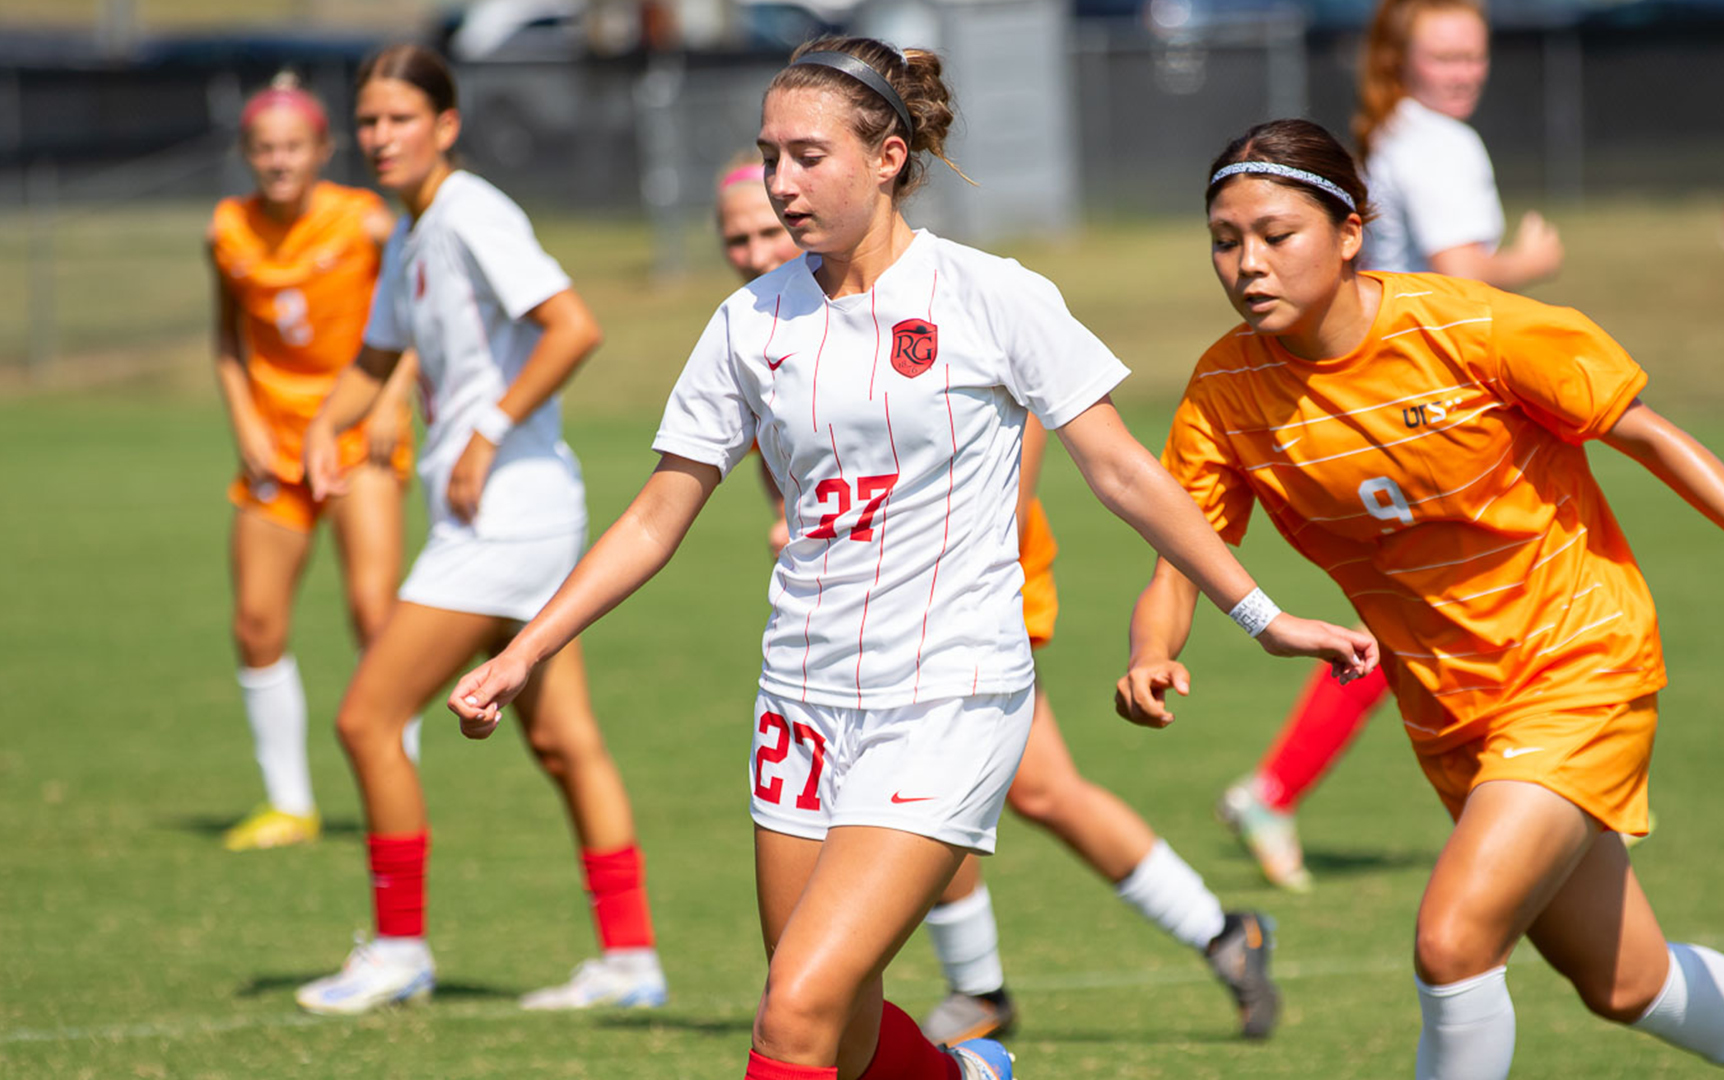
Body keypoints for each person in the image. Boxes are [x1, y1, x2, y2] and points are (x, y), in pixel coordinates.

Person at [451, 39, 1374, 1080]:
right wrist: (526, 649)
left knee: (792, 1017)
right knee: (832, 1021)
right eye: (770, 156)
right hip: (797, 702)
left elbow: (1123, 472)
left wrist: (1264, 616)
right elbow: (656, 517)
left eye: (809, 156)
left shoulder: (991, 296)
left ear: (889, 156)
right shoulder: (748, 323)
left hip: (947, 697)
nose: (781, 183)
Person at [1120, 117, 1724, 1080]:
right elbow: (1177, 560)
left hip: (1579, 661)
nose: (1247, 264)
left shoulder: (1469, 326)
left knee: (1452, 944)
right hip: (1451, 710)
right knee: (1624, 981)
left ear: (1350, 232)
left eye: (1276, 236)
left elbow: (1644, 432)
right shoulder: (1223, 393)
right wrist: (1152, 649)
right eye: (1225, 241)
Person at [713, 151, 1281, 1045]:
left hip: (974, 579)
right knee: (1025, 789)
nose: (753, 249)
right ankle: (1190, 941)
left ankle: (1020, 981)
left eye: (761, 230)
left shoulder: (944, 296)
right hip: (877, 617)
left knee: (989, 785)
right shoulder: (771, 324)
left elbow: (1023, 431)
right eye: (734, 238)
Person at [292, 44, 666, 1016]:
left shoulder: (472, 213)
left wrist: (489, 431)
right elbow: (378, 357)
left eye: (399, 120)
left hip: (508, 520)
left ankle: (399, 948)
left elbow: (573, 325)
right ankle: (630, 961)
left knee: (368, 717)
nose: (378, 138)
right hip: (512, 518)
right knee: (564, 742)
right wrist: (321, 434)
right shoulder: (412, 235)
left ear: (446, 126)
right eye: (368, 122)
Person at [1218, 0, 1570, 889]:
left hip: (1387, 404)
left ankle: (1287, 788)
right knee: (1464, 604)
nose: (1464, 72)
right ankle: (1541, 775)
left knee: (1405, 624)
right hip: (1430, 410)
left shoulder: (1394, 138)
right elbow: (1458, 275)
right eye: (1445, 55)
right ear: (1402, 59)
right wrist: (1530, 260)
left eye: (1474, 56)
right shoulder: (1444, 147)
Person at [208, 73, 419, 852]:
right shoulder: (226, 230)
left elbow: (413, 317)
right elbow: (227, 340)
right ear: (248, 154)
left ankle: (396, 789)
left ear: (323, 151)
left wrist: (393, 400)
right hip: (275, 445)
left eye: (293, 147)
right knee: (256, 622)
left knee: (374, 613)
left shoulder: (364, 222)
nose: (279, 162)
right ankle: (289, 803)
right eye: (264, 149)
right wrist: (245, 427)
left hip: (357, 436)